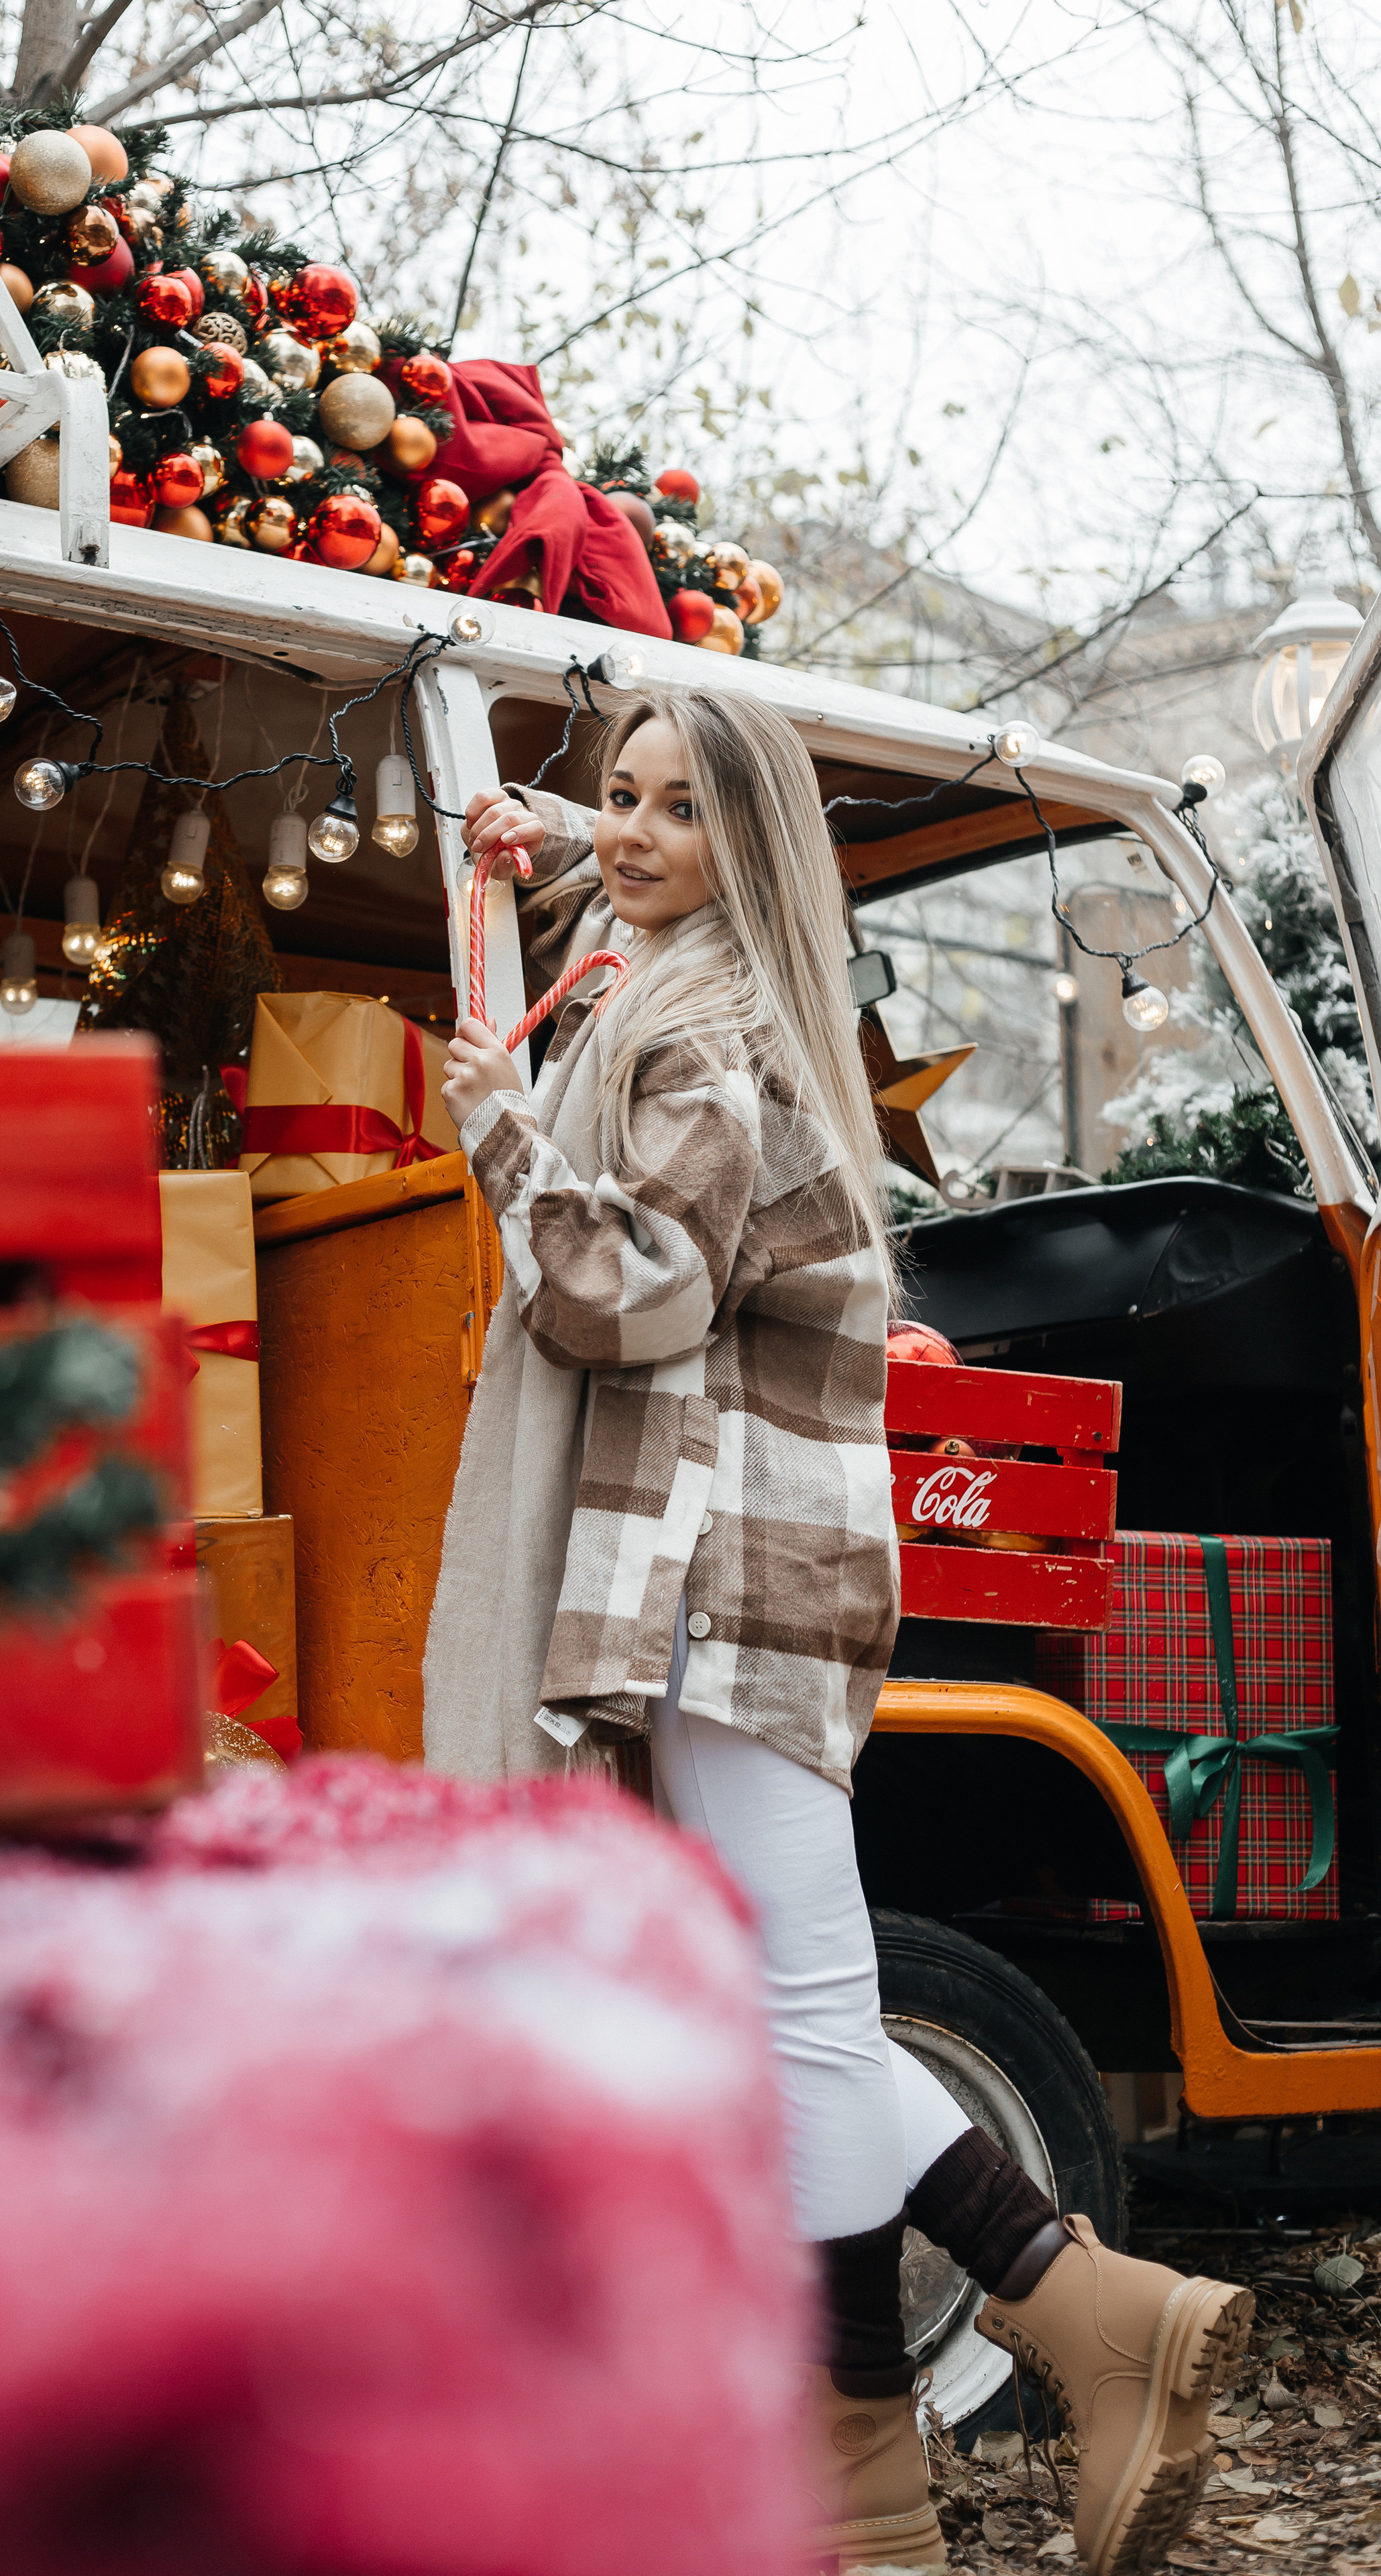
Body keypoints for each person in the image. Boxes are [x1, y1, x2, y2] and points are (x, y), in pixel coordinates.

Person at [425, 686, 1252, 2576]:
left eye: (675, 814)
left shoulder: (704, 1039)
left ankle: (944, 2430)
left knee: (793, 2010)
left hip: (729, 1568)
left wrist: (494, 1135)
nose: (629, 835)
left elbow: (624, 1297)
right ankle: (1029, 2365)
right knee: (778, 2005)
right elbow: (614, 875)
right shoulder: (693, 992)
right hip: (734, 1561)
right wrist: (533, 847)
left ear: (752, 847)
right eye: (612, 799)